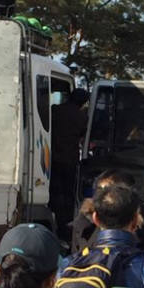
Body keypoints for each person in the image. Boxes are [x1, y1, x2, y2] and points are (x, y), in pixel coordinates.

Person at [49, 88, 89, 241]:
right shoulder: (82, 117)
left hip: (51, 158)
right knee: (67, 197)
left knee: (54, 193)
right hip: (69, 161)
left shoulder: (55, 110)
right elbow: (82, 135)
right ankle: (65, 228)